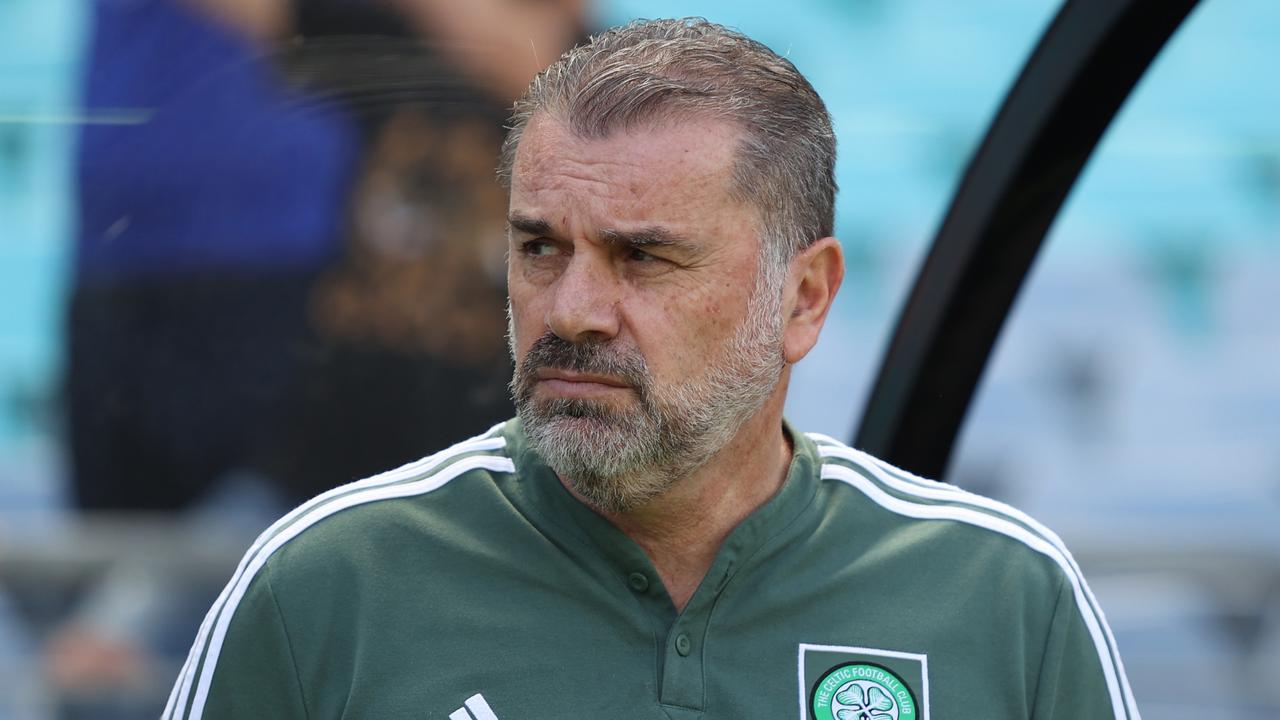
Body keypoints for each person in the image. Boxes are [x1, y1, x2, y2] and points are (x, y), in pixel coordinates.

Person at [164, 18, 1139, 720]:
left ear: (803, 297)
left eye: (643, 257)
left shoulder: (1003, 602)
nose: (573, 311)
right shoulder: (324, 590)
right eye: (540, 249)